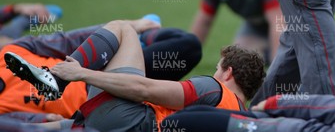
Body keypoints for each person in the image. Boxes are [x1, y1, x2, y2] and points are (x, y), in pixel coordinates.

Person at [7, 20, 265, 131]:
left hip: (130, 122)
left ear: (228, 72)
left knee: (123, 29)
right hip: (112, 124)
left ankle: (58, 80)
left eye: (218, 68)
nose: (214, 72)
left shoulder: (214, 88)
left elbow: (143, 89)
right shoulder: (238, 117)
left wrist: (81, 73)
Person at [0, 17, 201, 117]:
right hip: (97, 107)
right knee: (187, 111)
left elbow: (69, 40)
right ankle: (136, 42)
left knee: (186, 45)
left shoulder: (8, 54)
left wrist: (135, 24)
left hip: (108, 72)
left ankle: (140, 40)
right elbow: (28, 126)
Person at [157, 93, 335, 132]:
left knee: (179, 123)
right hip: (270, 122)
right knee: (187, 118)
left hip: (263, 127)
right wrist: (272, 104)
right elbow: (311, 104)